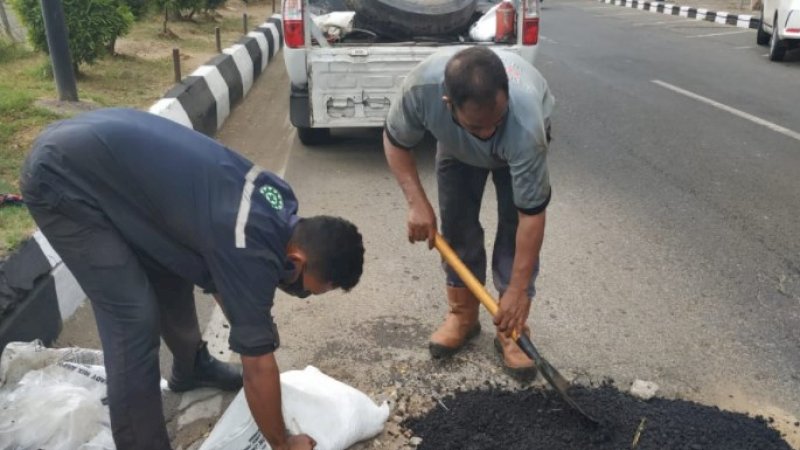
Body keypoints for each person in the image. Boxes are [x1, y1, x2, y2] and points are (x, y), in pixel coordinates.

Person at [20, 108, 365, 450]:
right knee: (132, 317)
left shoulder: (278, 200)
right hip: (63, 178)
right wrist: (283, 443)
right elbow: (258, 368)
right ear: (296, 261)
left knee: (172, 267)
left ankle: (191, 368)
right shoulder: (247, 244)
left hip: (100, 150)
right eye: (307, 291)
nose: (301, 295)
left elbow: (223, 274)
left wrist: (250, 325)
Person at [383, 46, 554, 380]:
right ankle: (463, 316)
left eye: (496, 121)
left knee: (511, 229)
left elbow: (530, 217)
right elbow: (395, 141)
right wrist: (417, 202)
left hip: (516, 151)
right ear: (448, 103)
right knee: (458, 226)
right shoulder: (421, 91)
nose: (488, 134)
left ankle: (512, 328)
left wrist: (518, 290)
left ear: (505, 97)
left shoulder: (524, 124)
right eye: (478, 127)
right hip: (455, 148)